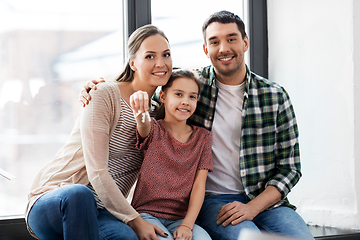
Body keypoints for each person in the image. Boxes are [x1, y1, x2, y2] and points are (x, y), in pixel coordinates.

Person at [80, 11, 314, 240]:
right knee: (245, 236)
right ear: (205, 49)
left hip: (268, 200)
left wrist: (253, 207)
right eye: (214, 41)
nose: (223, 48)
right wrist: (99, 87)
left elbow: (290, 168)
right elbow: (148, 100)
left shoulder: (275, 96)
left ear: (245, 43)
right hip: (214, 199)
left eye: (231, 39)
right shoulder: (193, 86)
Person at [26, 24, 174, 240]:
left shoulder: (157, 114)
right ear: (132, 62)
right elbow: (97, 172)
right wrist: (137, 221)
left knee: (127, 238)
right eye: (150, 56)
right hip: (57, 199)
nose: (160, 63)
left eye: (166, 55)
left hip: (103, 212)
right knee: (80, 194)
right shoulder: (104, 94)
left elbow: (190, 85)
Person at [129, 69, 213, 240]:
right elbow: (143, 125)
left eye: (192, 96)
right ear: (163, 97)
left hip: (180, 218)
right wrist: (140, 114)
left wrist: (187, 225)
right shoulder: (154, 129)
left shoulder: (203, 137)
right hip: (147, 214)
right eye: (179, 94)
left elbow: (199, 186)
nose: (185, 102)